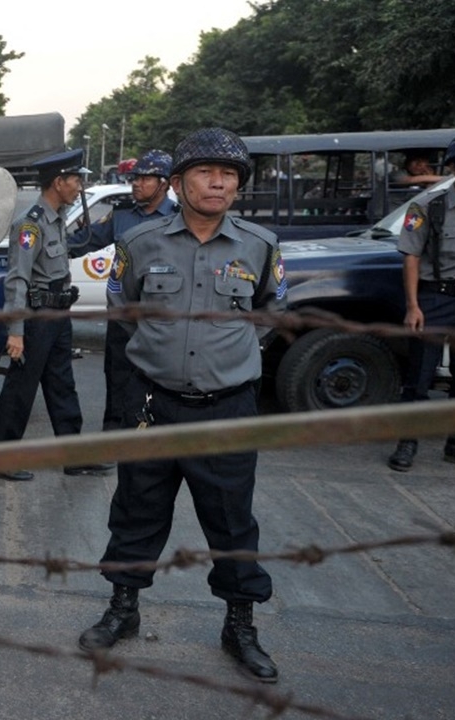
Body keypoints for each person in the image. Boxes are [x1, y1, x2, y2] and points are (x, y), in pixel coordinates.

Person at [78, 128, 288, 684]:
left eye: (229, 176)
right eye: (204, 173)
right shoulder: (141, 244)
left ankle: (239, 625)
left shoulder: (259, 246)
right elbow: (125, 309)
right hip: (154, 404)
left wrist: (228, 359)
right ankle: (123, 609)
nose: (218, 183)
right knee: (137, 510)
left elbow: (269, 313)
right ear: (177, 183)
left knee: (232, 519)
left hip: (227, 409)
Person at [0, 149, 110, 482]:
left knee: (63, 386)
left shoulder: (56, 220)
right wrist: (16, 331)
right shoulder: (31, 224)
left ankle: (74, 457)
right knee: (21, 388)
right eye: (76, 179)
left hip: (58, 315)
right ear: (59, 182)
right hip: (37, 318)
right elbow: (17, 279)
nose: (80, 186)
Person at [386, 131, 455, 473]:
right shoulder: (426, 207)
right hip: (436, 298)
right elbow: (412, 257)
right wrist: (414, 306)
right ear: (454, 166)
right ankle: (408, 441)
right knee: (419, 376)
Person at [69, 149, 179, 431]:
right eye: (135, 178)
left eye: (144, 178)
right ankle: (113, 436)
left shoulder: (181, 218)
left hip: (164, 317)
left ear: (164, 183)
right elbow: (83, 242)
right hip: (123, 315)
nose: (136, 183)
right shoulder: (120, 217)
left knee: (163, 381)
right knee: (117, 377)